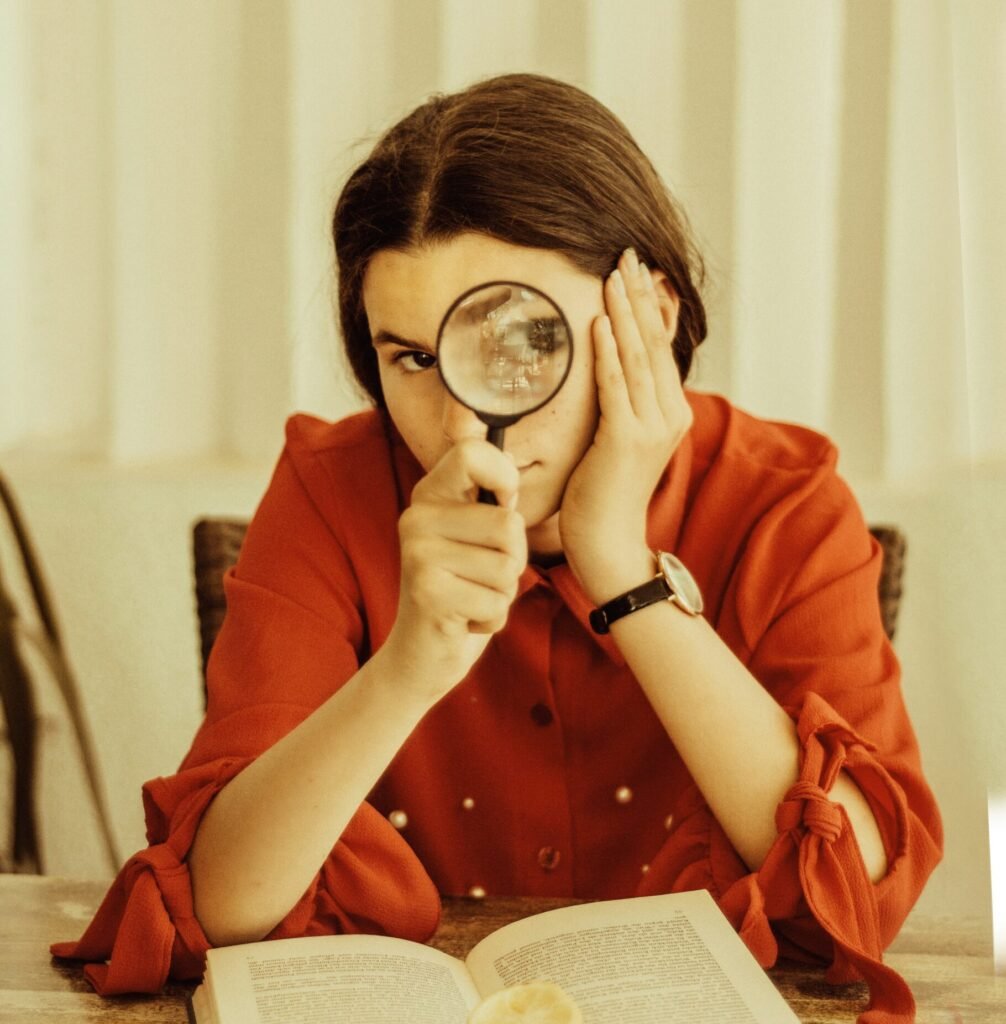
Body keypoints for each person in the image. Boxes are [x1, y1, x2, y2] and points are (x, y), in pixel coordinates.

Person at [53, 73, 942, 1018]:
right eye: (412, 358)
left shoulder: (781, 499)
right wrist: (410, 664)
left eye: (522, 337)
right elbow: (220, 903)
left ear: (652, 316)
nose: (462, 413)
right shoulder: (332, 487)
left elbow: (859, 882)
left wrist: (619, 567)